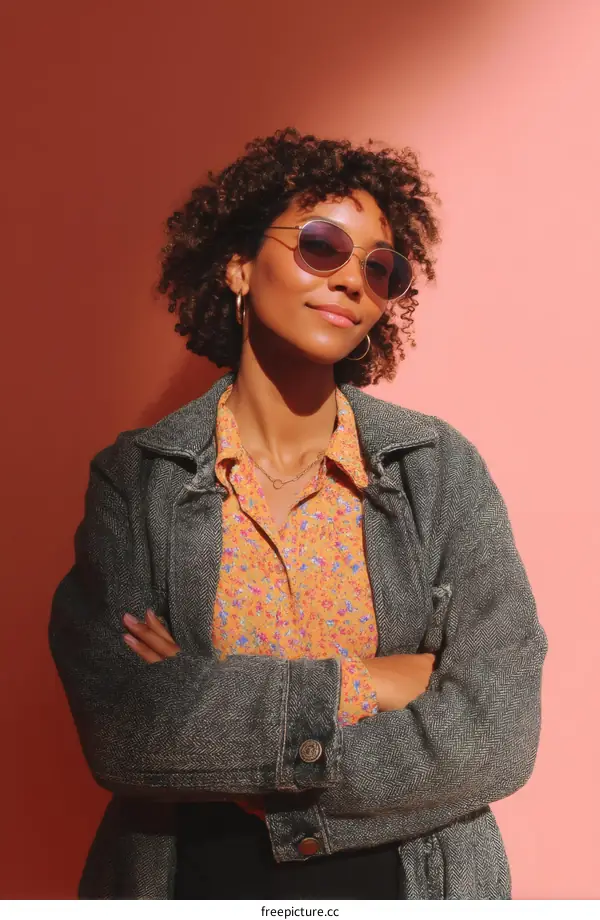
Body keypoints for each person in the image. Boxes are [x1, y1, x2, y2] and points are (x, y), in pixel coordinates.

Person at [48, 127, 548, 900]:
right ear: (240, 266)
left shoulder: (439, 471)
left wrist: (226, 727)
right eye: (322, 246)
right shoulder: (137, 479)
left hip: (417, 884)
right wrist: (372, 682)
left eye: (380, 268)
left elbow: (498, 728)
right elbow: (124, 729)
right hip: (188, 884)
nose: (354, 280)